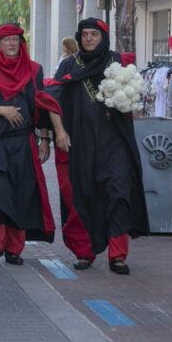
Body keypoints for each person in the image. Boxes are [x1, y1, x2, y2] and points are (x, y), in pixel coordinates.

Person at [49, 18, 149, 275]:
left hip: (115, 140)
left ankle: (118, 255)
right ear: (79, 38)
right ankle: (85, 252)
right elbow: (52, 100)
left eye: (94, 34)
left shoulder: (119, 63)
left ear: (103, 38)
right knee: (83, 195)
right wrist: (58, 131)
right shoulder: (69, 65)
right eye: (85, 35)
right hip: (80, 141)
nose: (89, 39)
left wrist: (131, 101)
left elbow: (138, 96)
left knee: (119, 192)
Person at [0, 24, 68, 266]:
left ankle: (15, 249)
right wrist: (2, 111)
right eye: (6, 40)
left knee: (21, 194)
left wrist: (44, 139)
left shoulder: (34, 70)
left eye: (16, 40)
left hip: (24, 143)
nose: (12, 44)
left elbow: (41, 108)